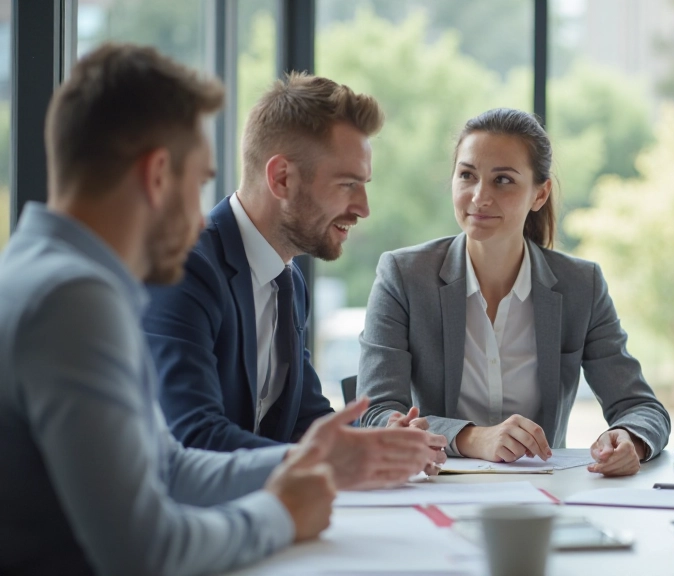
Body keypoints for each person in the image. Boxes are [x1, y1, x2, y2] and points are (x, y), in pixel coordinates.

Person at [0, 43, 436, 575]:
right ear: (158, 175)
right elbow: (147, 551)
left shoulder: (49, 275)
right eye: (201, 179)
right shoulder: (71, 301)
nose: (202, 214)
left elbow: (171, 467)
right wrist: (280, 512)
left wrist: (323, 458)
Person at [142, 73, 446, 472]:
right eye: (348, 184)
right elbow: (193, 436)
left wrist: (383, 438)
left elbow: (305, 419)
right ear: (281, 178)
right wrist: (335, 457)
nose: (363, 207)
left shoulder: (288, 280)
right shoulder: (184, 268)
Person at [357, 108, 671, 477]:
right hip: (436, 487)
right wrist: (473, 438)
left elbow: (642, 409)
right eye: (467, 176)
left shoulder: (580, 285)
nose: (478, 197)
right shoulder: (404, 276)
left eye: (503, 180)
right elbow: (375, 413)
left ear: (540, 194)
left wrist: (627, 438)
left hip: (541, 497)